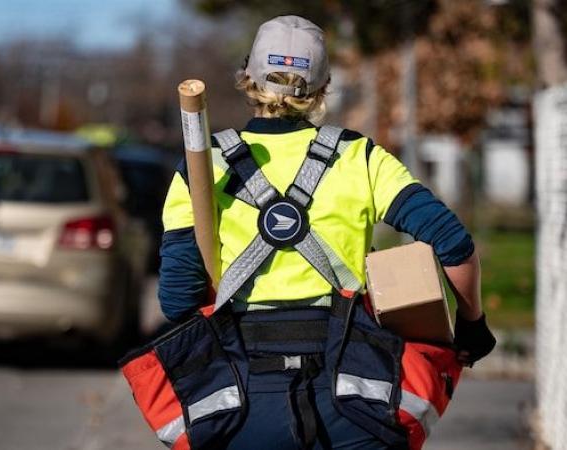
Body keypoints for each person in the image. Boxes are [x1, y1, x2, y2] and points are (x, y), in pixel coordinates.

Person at [158, 15, 495, 450]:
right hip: (354, 399)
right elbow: (453, 245)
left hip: (241, 403)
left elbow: (177, 300)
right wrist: (472, 326)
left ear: (248, 77)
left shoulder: (204, 169)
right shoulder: (360, 158)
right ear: (322, 87)